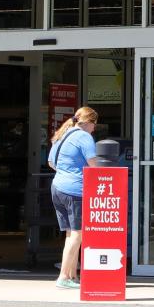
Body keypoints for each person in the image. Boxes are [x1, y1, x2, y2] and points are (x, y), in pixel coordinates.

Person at [49, 106, 105, 288]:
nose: (94, 128)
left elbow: (51, 162)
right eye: (94, 124)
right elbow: (93, 163)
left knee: (70, 234)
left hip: (57, 187)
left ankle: (73, 276)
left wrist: (66, 172)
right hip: (74, 191)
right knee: (78, 235)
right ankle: (63, 277)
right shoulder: (84, 137)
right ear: (88, 122)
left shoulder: (63, 134)